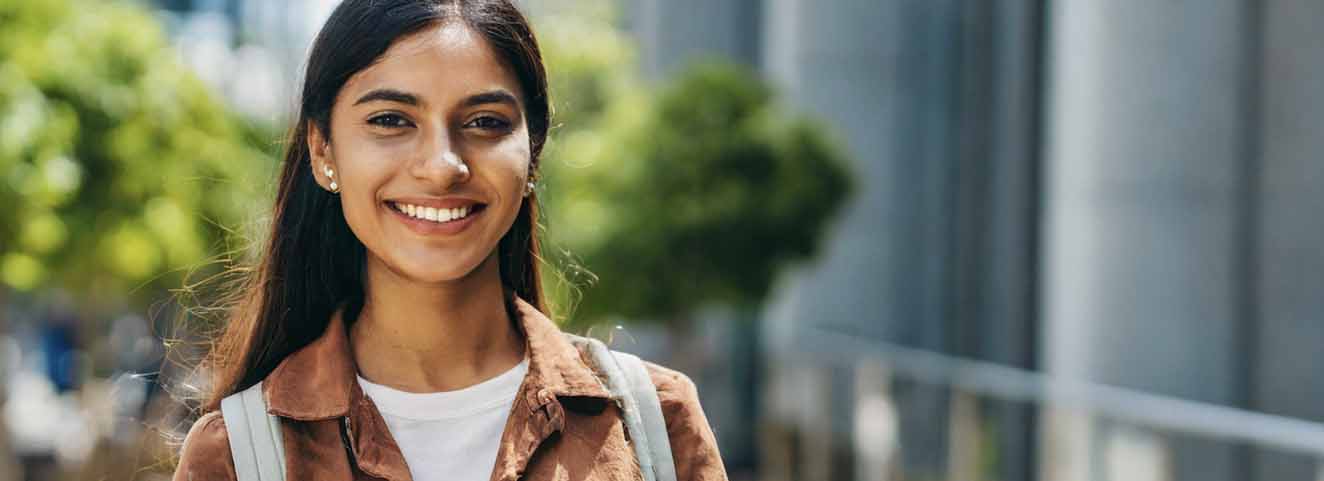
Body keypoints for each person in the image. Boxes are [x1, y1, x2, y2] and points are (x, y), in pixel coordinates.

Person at [170, 1, 727, 480]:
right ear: (323, 151)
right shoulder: (236, 455)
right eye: (391, 120)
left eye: (485, 122)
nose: (442, 167)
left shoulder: (655, 422)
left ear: (532, 153)